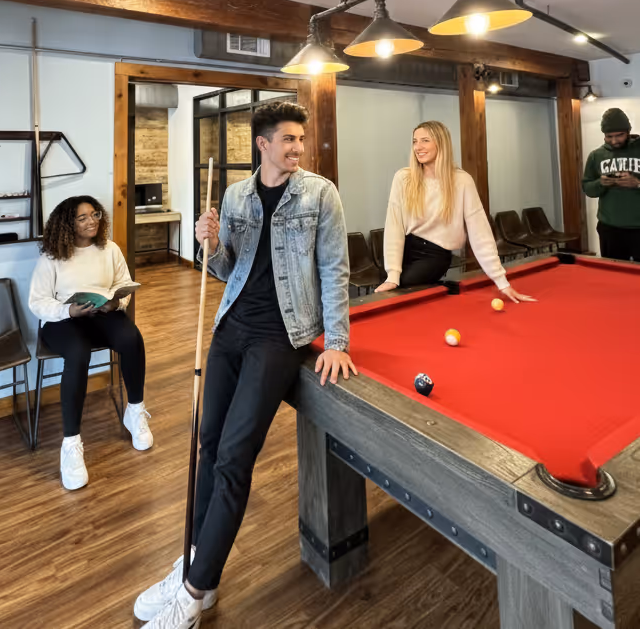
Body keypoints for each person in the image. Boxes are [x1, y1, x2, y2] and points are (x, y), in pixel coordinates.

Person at [133, 100, 355, 628]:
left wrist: (339, 340)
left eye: (300, 139)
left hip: (281, 336)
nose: (298, 147)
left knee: (234, 456)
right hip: (230, 329)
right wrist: (207, 243)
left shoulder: (320, 194)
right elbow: (227, 269)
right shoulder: (235, 195)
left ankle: (192, 593)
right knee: (207, 442)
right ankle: (196, 563)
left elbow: (334, 268)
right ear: (263, 144)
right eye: (288, 139)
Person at [28, 195, 152, 491]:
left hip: (102, 314)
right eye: (82, 218)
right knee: (78, 352)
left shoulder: (110, 249)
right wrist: (68, 310)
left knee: (131, 337)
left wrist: (115, 304)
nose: (91, 221)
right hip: (64, 321)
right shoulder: (52, 256)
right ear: (67, 224)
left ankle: (135, 411)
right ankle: (71, 444)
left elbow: (124, 285)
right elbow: (37, 302)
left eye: (94, 215)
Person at [376, 120, 535, 304]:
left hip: (434, 256)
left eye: (425, 140)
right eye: (414, 141)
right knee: (390, 290)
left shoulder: (462, 181)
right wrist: (392, 274)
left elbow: (480, 233)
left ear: (441, 143)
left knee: (406, 289)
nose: (418, 147)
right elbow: (394, 227)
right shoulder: (403, 178)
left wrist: (502, 282)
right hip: (404, 250)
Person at [582, 107, 640, 262]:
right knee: (614, 278)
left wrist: (637, 183)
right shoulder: (596, 156)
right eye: (609, 136)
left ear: (628, 131)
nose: (614, 141)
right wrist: (600, 183)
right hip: (610, 228)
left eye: (619, 135)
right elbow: (587, 188)